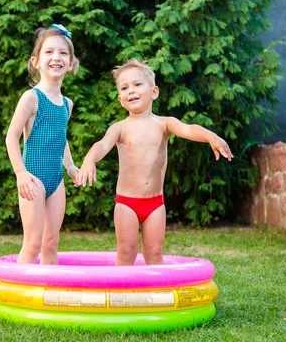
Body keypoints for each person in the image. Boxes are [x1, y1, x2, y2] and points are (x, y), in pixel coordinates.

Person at [76, 59, 233, 266]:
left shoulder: (164, 124)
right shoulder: (119, 128)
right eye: (125, 88)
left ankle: (155, 296)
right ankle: (120, 295)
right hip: (126, 203)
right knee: (126, 252)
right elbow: (102, 145)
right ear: (121, 99)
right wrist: (89, 160)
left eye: (137, 84)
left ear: (154, 92)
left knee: (154, 253)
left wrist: (212, 137)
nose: (131, 90)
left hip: (155, 204)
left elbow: (189, 129)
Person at [5, 24, 80, 264]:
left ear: (70, 64)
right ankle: (20, 296)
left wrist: (71, 168)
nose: (56, 57)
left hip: (56, 181)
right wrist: (21, 174)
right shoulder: (31, 98)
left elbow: (61, 139)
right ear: (36, 62)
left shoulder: (67, 104)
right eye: (49, 52)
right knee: (33, 243)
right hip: (33, 179)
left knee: (51, 243)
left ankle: (49, 295)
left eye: (63, 53)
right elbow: (11, 137)